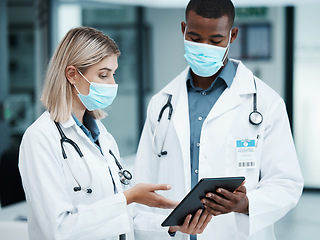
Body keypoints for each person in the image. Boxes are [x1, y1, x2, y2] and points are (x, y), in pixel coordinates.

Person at [133, 0, 304, 239]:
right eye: (194, 38)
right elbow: (142, 187)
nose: (204, 47)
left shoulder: (266, 103)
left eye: (215, 41)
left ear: (232, 35)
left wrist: (244, 204)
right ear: (183, 29)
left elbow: (287, 183)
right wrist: (165, 225)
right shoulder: (162, 103)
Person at [18, 27, 205, 240]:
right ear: (72, 75)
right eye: (103, 75)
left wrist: (173, 224)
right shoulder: (41, 138)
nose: (113, 84)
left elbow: (123, 218)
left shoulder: (103, 138)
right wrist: (127, 197)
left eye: (113, 74)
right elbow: (60, 228)